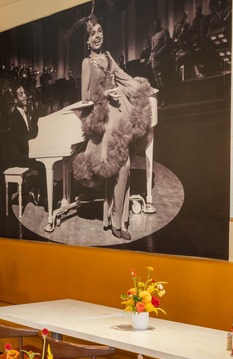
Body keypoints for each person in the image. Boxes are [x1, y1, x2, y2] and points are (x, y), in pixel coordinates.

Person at [72, 15, 157, 240]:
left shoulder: (109, 57)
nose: (97, 36)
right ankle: (117, 220)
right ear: (87, 41)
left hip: (120, 114)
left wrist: (144, 88)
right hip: (105, 118)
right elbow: (85, 97)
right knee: (123, 165)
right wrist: (105, 93)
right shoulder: (86, 63)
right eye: (92, 34)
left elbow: (124, 77)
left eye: (99, 31)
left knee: (122, 167)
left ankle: (117, 219)